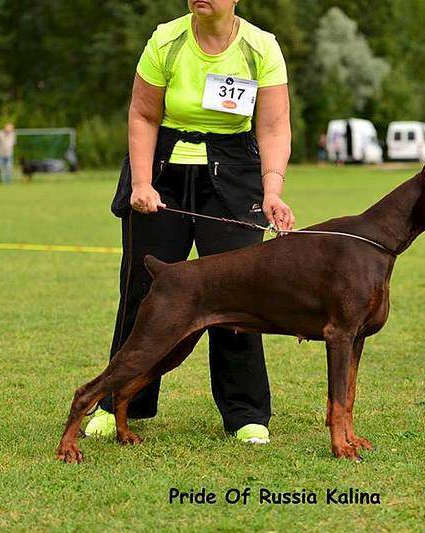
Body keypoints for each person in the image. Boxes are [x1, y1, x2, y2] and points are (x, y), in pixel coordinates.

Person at [86, 0, 295, 444]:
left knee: (237, 293)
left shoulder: (261, 47)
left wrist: (271, 190)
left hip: (234, 176)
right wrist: (142, 182)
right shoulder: (166, 39)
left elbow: (274, 126)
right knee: (143, 294)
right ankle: (117, 400)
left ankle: (245, 413)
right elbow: (143, 114)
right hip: (161, 175)